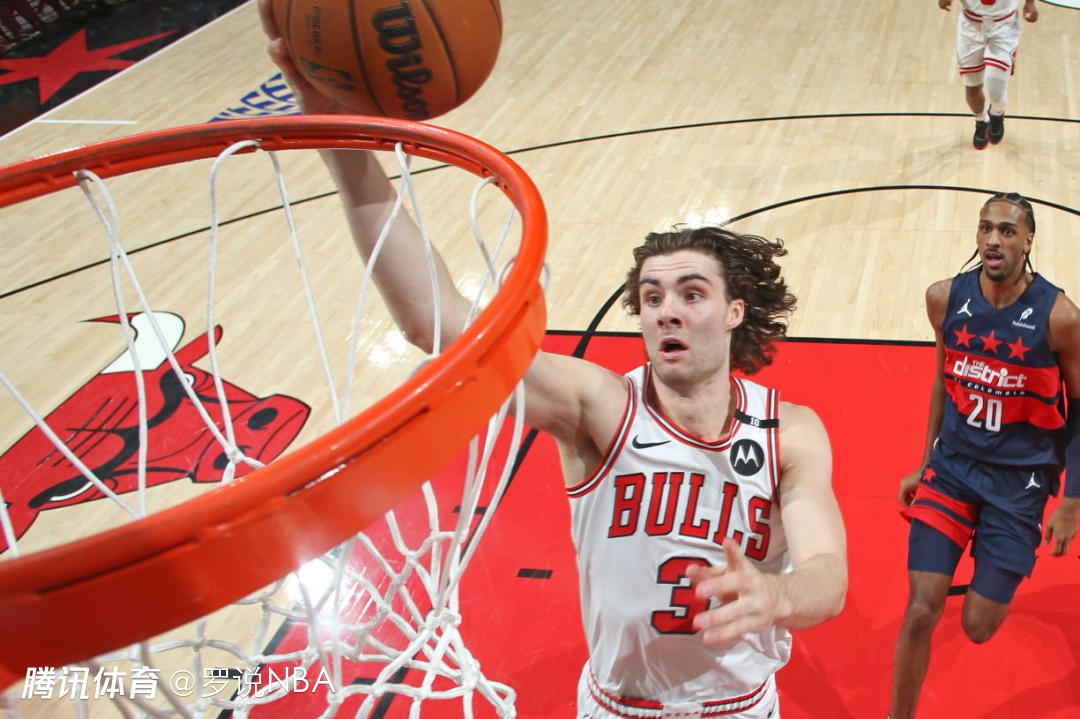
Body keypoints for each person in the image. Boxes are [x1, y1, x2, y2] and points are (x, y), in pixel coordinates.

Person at [259, 3, 847, 716]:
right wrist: (338, 137)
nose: (665, 309)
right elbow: (434, 323)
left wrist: (776, 594)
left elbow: (827, 576)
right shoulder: (599, 407)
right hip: (615, 707)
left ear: (734, 312)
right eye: (651, 296)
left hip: (740, 708)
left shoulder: (790, 431)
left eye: (692, 293)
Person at [890, 192, 1080, 719]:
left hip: (1020, 482)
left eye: (1007, 231)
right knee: (920, 610)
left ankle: (993, 559)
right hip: (952, 468)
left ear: (1028, 241)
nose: (993, 239)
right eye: (986, 228)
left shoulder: (1060, 317)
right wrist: (925, 460)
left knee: (978, 626)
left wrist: (1072, 499)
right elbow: (942, 380)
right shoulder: (943, 298)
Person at [937, 0, 1038, 150]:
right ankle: (982, 120)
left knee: (995, 93)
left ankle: (997, 113)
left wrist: (1030, 3)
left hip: (1004, 26)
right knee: (972, 89)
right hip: (971, 25)